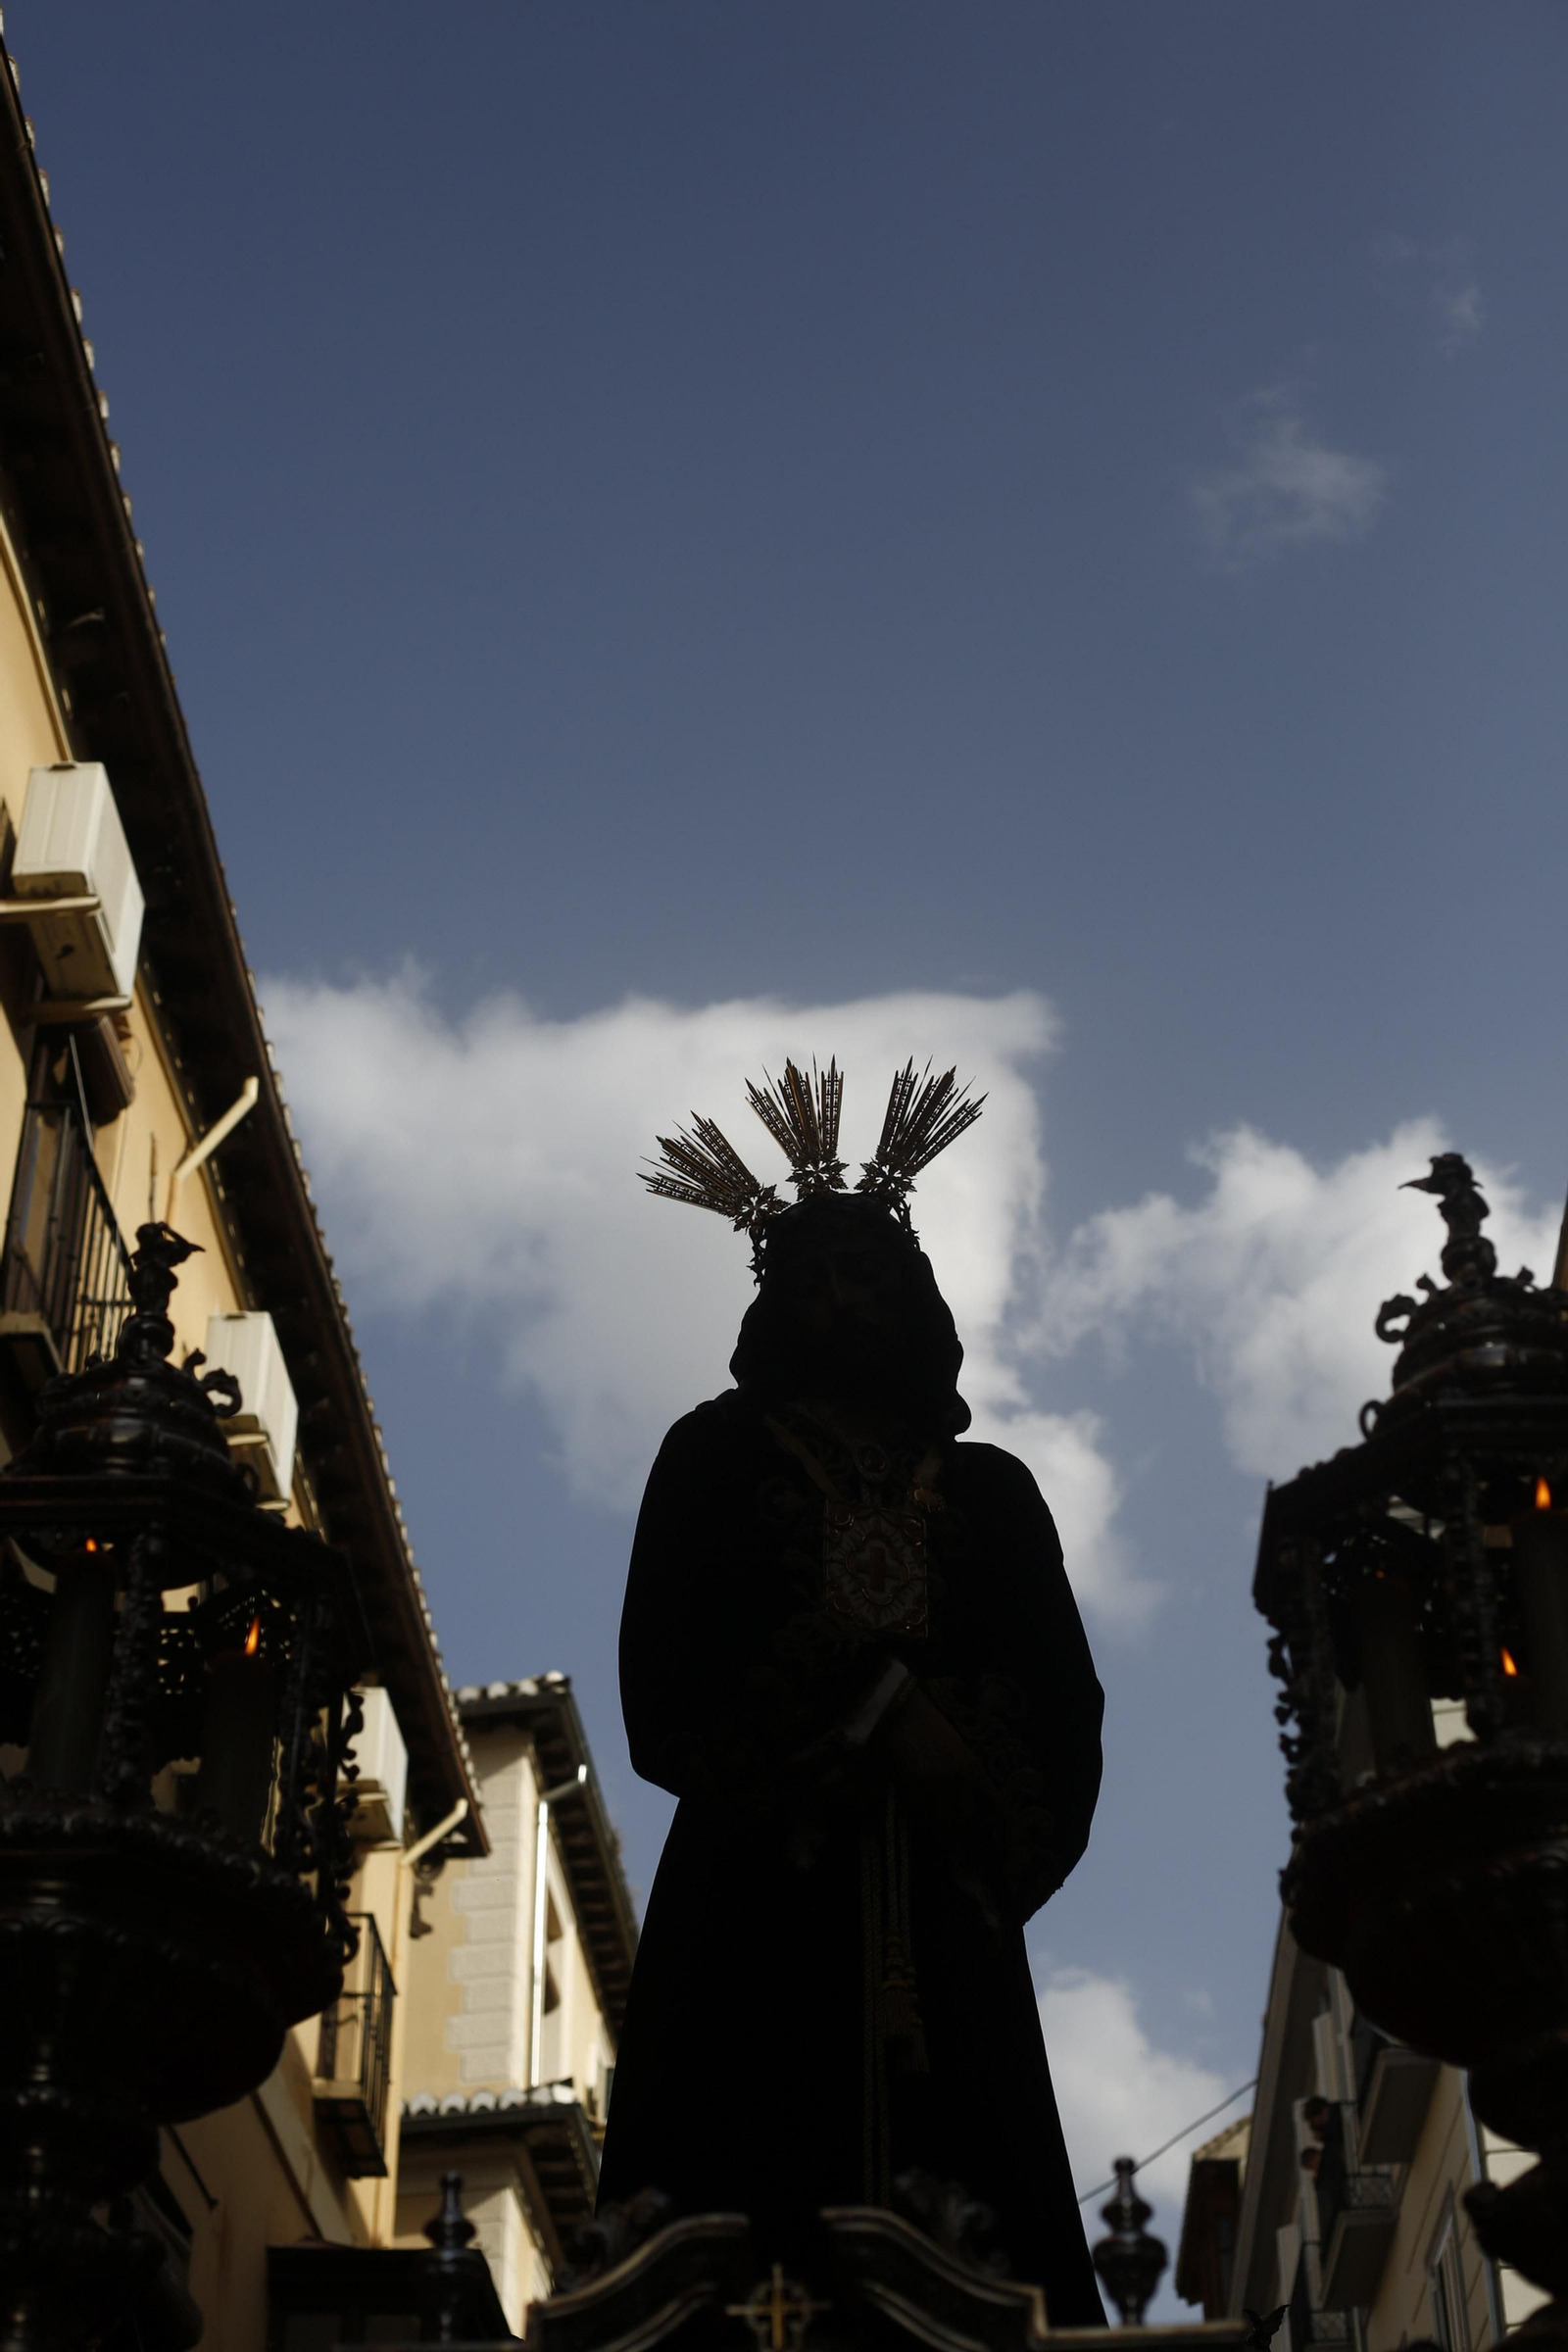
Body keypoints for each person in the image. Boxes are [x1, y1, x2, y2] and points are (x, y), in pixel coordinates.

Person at [596, 1064, 1104, 2322]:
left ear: (913, 1297)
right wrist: (855, 1718)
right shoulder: (710, 1455)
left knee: (976, 2198)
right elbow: (662, 1680)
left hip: (940, 1912)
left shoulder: (989, 1494)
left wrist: (961, 1775)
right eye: (807, 1278)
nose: (836, 1300)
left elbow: (1058, 1699)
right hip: (755, 1887)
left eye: (864, 1273)